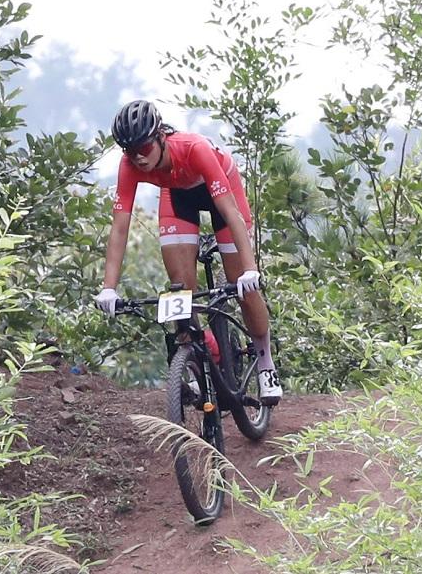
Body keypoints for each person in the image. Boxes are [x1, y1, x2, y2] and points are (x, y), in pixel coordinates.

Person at [94, 99, 282, 405]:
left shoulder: (194, 148)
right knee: (180, 291)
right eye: (129, 151)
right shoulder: (130, 165)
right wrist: (108, 288)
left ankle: (265, 361)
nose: (138, 157)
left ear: (160, 137)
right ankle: (202, 353)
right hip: (178, 197)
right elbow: (119, 228)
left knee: (242, 285)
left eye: (143, 147)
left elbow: (231, 212)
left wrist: (251, 269)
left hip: (220, 191)